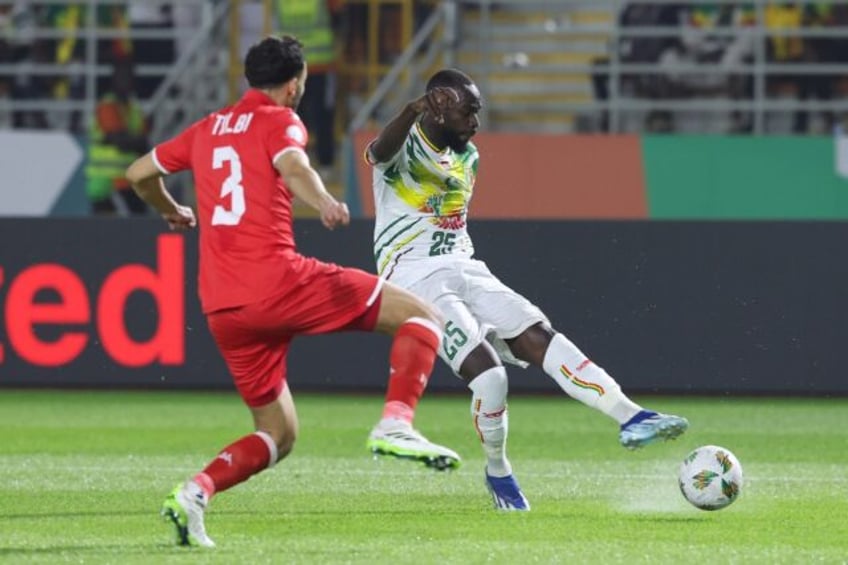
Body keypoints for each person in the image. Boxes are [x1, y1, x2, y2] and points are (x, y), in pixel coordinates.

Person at [125, 36, 456, 548]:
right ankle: (395, 423)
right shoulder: (279, 119)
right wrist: (323, 199)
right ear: (295, 83)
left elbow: (138, 174)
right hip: (279, 281)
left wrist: (169, 209)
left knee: (279, 435)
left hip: (222, 307)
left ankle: (195, 493)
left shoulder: (206, 129)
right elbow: (294, 165)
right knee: (422, 317)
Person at [364, 68, 689, 511]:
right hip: (415, 278)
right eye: (468, 111)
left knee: (540, 335)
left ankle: (631, 416)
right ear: (438, 103)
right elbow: (378, 153)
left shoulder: (469, 157)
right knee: (491, 375)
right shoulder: (402, 145)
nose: (476, 122)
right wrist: (411, 109)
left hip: (465, 265)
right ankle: (498, 471)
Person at [87, 57, 149, 215]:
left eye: (130, 76)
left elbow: (145, 144)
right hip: (106, 186)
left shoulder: (134, 109)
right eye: (123, 76)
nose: (127, 80)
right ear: (114, 78)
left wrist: (135, 141)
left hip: (129, 184)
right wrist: (135, 141)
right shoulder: (107, 106)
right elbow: (121, 141)